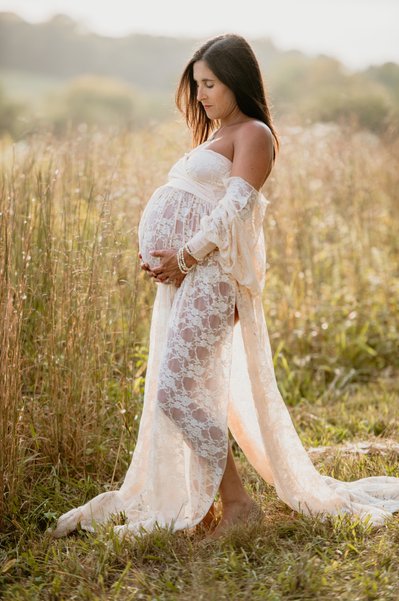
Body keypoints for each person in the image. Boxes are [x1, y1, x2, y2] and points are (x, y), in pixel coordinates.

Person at [51, 34, 399, 540]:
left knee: (176, 387)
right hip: (188, 275)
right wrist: (166, 258)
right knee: (186, 387)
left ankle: (235, 503)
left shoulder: (254, 133)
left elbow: (235, 210)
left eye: (210, 84)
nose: (202, 95)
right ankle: (222, 500)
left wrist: (184, 256)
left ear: (238, 80)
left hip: (211, 275)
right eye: (197, 86)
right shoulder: (215, 136)